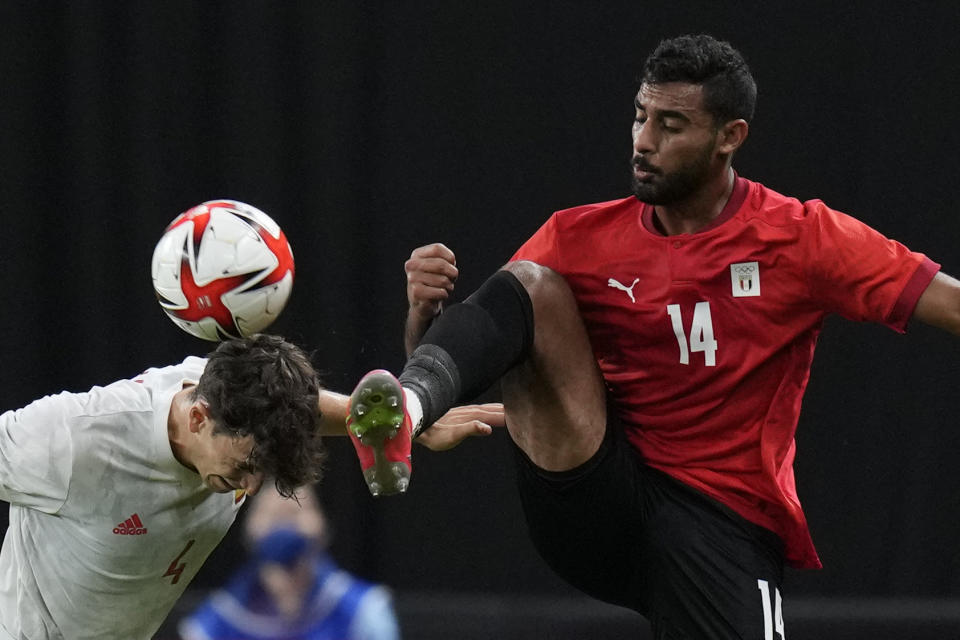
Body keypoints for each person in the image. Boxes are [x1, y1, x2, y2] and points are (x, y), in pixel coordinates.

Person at [345, 34, 960, 639]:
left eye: (671, 125)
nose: (643, 141)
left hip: (723, 519)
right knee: (532, 284)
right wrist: (422, 321)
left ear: (730, 137)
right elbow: (491, 334)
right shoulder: (577, 236)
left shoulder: (801, 238)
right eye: (641, 116)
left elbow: (948, 303)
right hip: (597, 493)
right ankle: (412, 403)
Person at [0, 333, 499, 640]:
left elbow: (304, 410)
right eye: (244, 466)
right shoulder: (70, 439)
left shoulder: (230, 399)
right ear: (198, 417)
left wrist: (403, 421)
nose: (251, 484)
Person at [178, 485, 400, 640]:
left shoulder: (364, 611)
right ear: (248, 530)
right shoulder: (215, 623)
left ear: (324, 527)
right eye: (271, 513)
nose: (283, 523)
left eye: (296, 512)